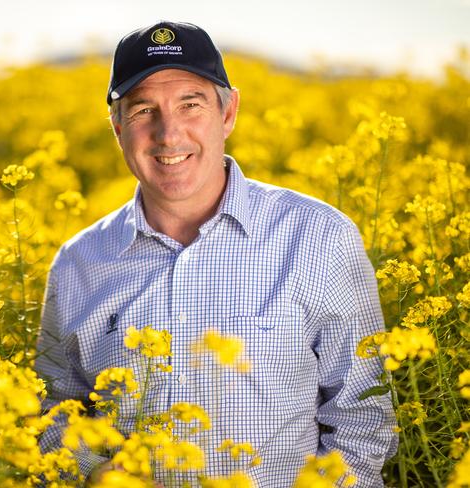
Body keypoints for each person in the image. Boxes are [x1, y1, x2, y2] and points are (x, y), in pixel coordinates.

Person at [36, 20, 397, 487]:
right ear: (117, 126)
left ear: (228, 114)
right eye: (144, 110)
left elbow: (362, 420)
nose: (169, 134)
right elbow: (53, 409)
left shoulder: (319, 237)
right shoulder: (76, 264)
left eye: (191, 104)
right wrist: (89, 473)